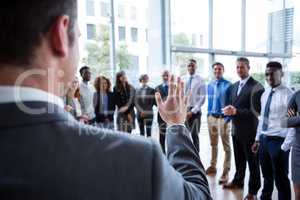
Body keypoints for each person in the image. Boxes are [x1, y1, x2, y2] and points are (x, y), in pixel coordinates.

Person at [0, 1, 212, 200]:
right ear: (61, 35)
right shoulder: (137, 160)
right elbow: (199, 194)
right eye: (80, 36)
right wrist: (176, 125)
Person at [251, 61, 294, 200]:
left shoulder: (288, 95)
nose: (269, 77)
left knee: (281, 179)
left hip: (279, 141)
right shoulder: (265, 94)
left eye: (273, 74)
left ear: (281, 74)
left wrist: (285, 146)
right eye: (267, 74)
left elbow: (293, 123)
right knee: (267, 177)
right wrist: (258, 139)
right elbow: (263, 118)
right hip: (264, 140)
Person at [223, 57, 264, 200]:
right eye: (237, 67)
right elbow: (234, 105)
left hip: (250, 132)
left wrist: (236, 112)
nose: (239, 70)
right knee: (239, 159)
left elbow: (257, 111)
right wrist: (229, 110)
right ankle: (238, 181)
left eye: (242, 67)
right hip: (236, 130)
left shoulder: (257, 86)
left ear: (248, 68)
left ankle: (253, 191)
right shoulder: (234, 86)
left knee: (253, 163)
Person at [206, 62, 232, 184]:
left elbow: (232, 103)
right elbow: (210, 101)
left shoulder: (228, 85)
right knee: (213, 144)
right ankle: (213, 166)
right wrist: (208, 115)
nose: (217, 71)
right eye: (215, 69)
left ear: (223, 70)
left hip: (223, 118)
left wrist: (227, 119)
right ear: (213, 71)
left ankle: (226, 171)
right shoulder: (210, 85)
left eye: (219, 69)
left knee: (226, 146)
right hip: (211, 117)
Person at [182, 59, 206, 152]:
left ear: (196, 67)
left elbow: (202, 98)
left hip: (195, 111)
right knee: (184, 135)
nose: (191, 67)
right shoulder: (182, 79)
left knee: (195, 134)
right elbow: (180, 95)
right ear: (187, 67)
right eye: (189, 65)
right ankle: (186, 156)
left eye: (193, 65)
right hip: (183, 110)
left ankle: (196, 157)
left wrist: (192, 111)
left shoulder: (200, 80)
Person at [285, 89, 300, 200]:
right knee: (298, 195)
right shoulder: (297, 95)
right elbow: (285, 121)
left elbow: (292, 120)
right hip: (298, 149)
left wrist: (295, 118)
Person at [155, 70, 170, 152]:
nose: (165, 77)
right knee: (162, 135)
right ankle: (162, 154)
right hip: (161, 115)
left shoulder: (173, 87)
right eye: (164, 75)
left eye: (167, 75)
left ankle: (172, 154)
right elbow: (156, 102)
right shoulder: (157, 88)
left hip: (172, 115)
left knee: (172, 136)